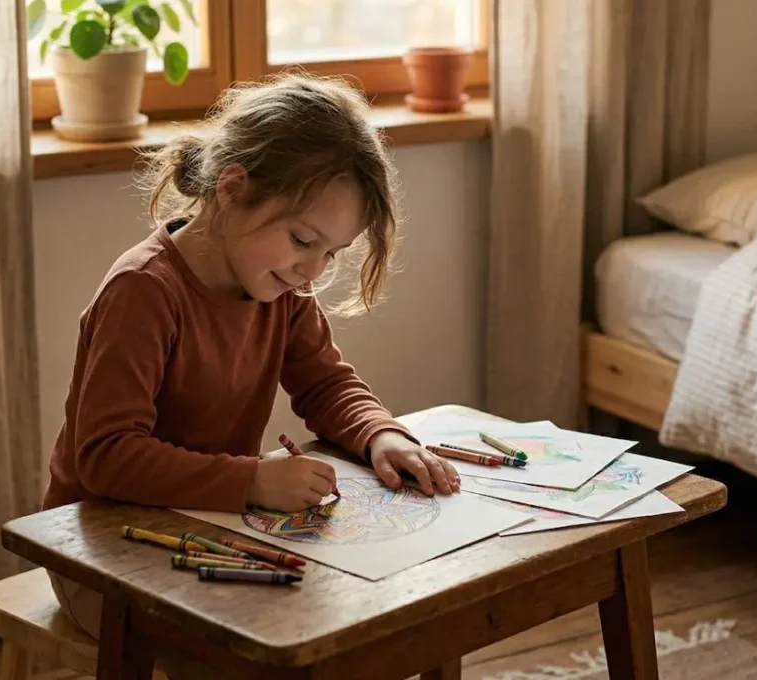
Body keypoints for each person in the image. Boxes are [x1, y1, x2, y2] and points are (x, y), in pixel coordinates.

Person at [39, 74, 460, 663]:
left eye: (331, 254)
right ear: (232, 190)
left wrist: (379, 433)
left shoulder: (279, 289)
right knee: (262, 647)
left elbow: (326, 382)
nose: (312, 270)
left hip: (211, 526)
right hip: (104, 554)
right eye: (302, 240)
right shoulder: (143, 292)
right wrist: (252, 481)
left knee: (370, 618)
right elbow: (106, 455)